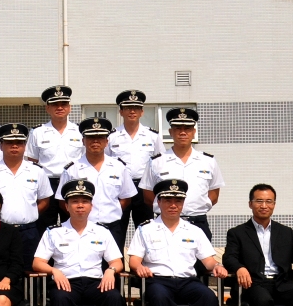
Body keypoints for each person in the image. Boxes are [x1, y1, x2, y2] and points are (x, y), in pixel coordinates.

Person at [127, 178, 230, 306]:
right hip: (158, 281)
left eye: (178, 201)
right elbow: (134, 259)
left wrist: (217, 266)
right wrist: (138, 267)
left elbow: (208, 260)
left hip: (187, 281)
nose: (173, 205)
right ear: (158, 202)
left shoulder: (194, 230)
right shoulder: (145, 229)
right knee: (159, 297)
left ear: (183, 203)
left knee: (208, 297)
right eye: (167, 200)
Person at [32, 178, 124, 306]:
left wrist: (110, 270)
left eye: (84, 201)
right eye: (74, 201)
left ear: (91, 206)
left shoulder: (102, 232)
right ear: (66, 206)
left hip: (95, 283)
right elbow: (38, 262)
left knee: (115, 298)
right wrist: (54, 271)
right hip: (67, 282)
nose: (80, 205)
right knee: (60, 298)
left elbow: (117, 261)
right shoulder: (54, 232)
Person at [0, 123, 53, 271]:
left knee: (30, 271)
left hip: (29, 232)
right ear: (1, 146)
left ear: (25, 146)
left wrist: (30, 213)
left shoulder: (37, 171)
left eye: (19, 142)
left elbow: (44, 200)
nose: (14, 146)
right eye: (9, 142)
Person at [140, 108, 224, 241]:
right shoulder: (156, 162)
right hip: (164, 224)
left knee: (202, 255)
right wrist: (167, 211)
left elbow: (214, 194)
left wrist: (197, 206)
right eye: (178, 128)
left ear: (194, 132)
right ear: (170, 132)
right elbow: (148, 196)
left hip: (198, 222)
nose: (183, 132)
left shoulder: (208, 161)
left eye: (188, 128)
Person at [58, 116, 137, 251]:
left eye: (100, 137)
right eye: (90, 137)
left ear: (107, 141)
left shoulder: (119, 167)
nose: (95, 141)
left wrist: (112, 211)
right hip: (82, 229)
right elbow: (62, 201)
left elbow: (126, 198)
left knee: (114, 263)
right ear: (83, 141)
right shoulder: (72, 169)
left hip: (112, 227)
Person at [106, 89, 163, 242]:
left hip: (144, 188)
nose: (132, 111)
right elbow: (105, 163)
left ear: (142, 112)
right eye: (128, 108)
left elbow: (160, 164)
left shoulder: (152, 136)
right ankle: (116, 258)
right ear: (121, 111)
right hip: (119, 188)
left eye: (136, 108)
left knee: (146, 231)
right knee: (116, 231)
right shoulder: (111, 137)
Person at [27, 85, 84, 237]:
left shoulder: (80, 131)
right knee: (44, 228)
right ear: (48, 108)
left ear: (69, 107)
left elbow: (85, 160)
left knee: (73, 227)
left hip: (73, 183)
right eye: (55, 104)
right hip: (47, 184)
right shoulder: (37, 132)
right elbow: (32, 162)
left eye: (63, 104)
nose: (59, 108)